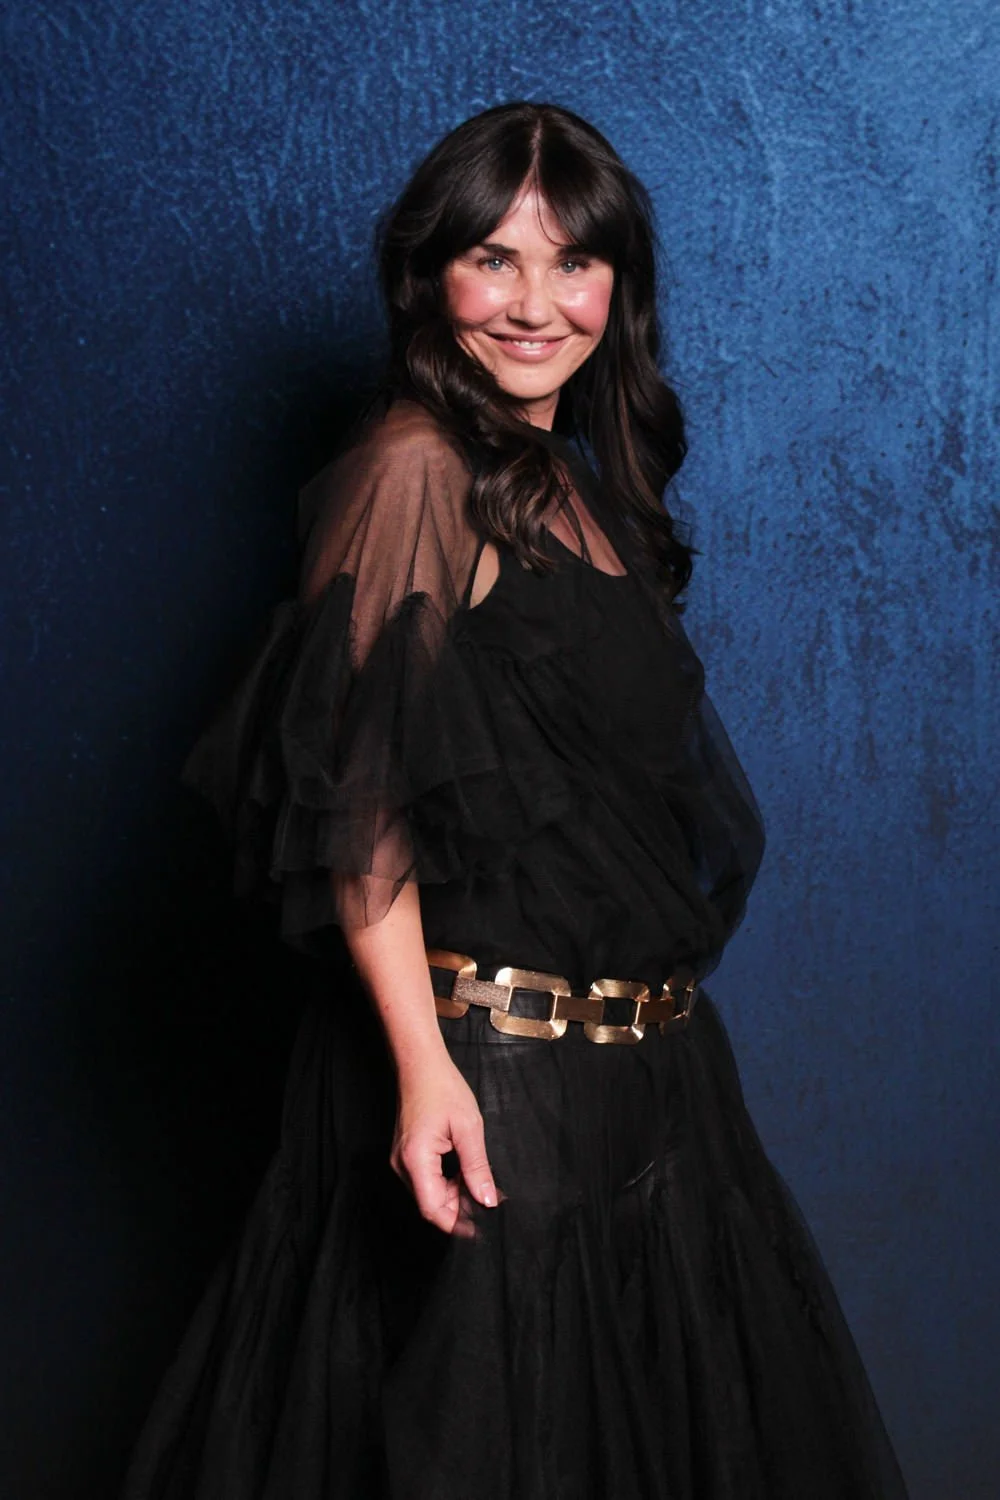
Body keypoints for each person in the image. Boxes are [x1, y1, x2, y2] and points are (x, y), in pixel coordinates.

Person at [123, 102, 909, 1499]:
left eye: (573, 262)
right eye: (494, 258)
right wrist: (424, 1071)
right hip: (494, 1078)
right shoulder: (414, 469)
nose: (536, 304)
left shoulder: (576, 482)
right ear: (431, 276)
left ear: (619, 286)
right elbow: (357, 800)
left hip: (654, 1084)